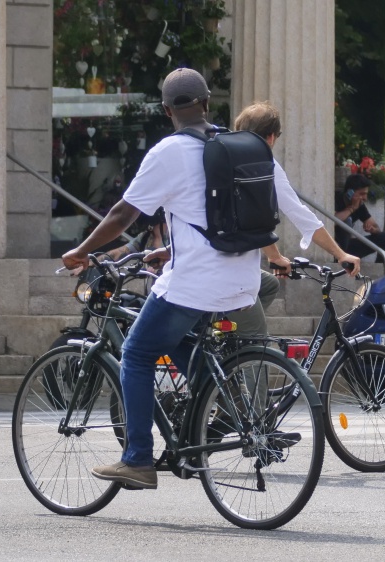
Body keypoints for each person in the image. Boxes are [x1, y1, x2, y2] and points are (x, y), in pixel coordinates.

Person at [60, 70, 360, 490]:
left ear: (167, 111)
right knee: (185, 344)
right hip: (243, 281)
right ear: (207, 103)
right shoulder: (245, 146)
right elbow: (282, 207)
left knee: (137, 352)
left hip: (194, 283)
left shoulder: (169, 152)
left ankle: (138, 459)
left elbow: (122, 215)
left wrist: (81, 250)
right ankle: (215, 407)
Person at [229, 101, 358, 337]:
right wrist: (340, 254)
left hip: (197, 261)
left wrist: (274, 256)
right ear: (270, 137)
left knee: (269, 285)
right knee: (255, 348)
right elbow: (299, 214)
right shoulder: (263, 165)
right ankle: (238, 353)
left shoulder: (222, 160)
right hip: (229, 271)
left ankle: (224, 344)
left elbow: (250, 218)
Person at [335, 174, 385, 273]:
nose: (364, 198)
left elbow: (375, 226)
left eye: (366, 194)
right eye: (361, 194)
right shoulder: (336, 199)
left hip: (349, 248)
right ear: (350, 192)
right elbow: (333, 220)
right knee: (346, 221)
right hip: (334, 248)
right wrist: (352, 209)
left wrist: (374, 230)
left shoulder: (360, 206)